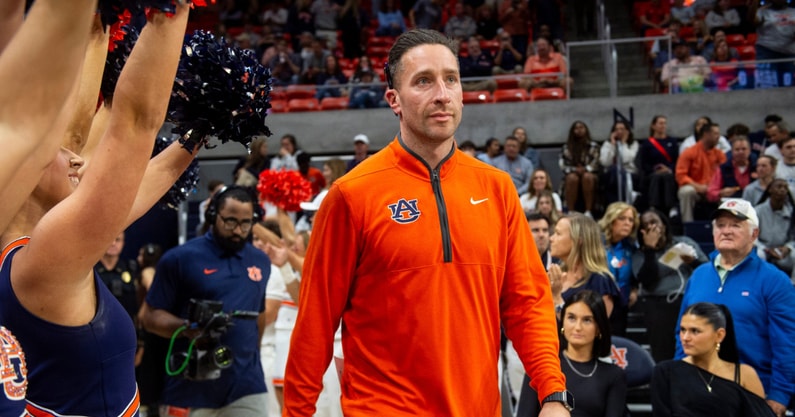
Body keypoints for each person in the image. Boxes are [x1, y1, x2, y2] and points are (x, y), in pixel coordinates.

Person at [283, 29, 570, 416]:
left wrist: (553, 393)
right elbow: (316, 321)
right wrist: (296, 412)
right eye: (423, 81)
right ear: (394, 100)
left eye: (451, 79)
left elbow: (527, 303)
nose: (442, 94)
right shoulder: (351, 195)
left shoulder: (497, 188)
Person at [0, 6, 190, 416]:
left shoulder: (25, 244)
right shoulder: (49, 257)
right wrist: (172, 9)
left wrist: (198, 133)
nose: (77, 158)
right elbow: (135, 125)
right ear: (23, 167)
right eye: (61, 149)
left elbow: (130, 189)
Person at [141, 186, 272, 416]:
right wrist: (186, 328)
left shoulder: (261, 261)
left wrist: (253, 357)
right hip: (189, 388)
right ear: (213, 216)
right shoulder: (179, 259)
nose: (238, 231)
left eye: (245, 223)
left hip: (247, 387)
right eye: (230, 221)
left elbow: (258, 317)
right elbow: (149, 317)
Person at [676, 198, 795, 416]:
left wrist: (780, 393)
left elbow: (787, 342)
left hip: (752, 390)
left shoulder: (775, 280)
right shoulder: (699, 275)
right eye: (721, 225)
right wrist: (679, 378)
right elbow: (681, 333)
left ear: (754, 234)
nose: (726, 231)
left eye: (736, 225)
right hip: (699, 389)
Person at [517, 290, 627, 417]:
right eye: (571, 318)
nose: (577, 327)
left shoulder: (614, 375)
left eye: (587, 320)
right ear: (562, 321)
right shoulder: (542, 367)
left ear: (598, 328)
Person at [653, 302, 768, 417]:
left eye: (695, 331)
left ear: (719, 335)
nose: (685, 338)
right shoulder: (666, 372)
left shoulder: (745, 374)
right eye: (683, 330)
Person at [633, 209, 707, 362]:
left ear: (664, 225)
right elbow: (647, 281)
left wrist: (692, 261)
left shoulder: (684, 242)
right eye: (646, 225)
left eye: (654, 222)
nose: (651, 227)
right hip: (657, 304)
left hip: (687, 301)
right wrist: (650, 249)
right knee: (663, 353)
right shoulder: (639, 254)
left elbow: (707, 270)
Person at [549, 213, 623, 332]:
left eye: (558, 233)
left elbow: (590, 331)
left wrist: (557, 298)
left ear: (578, 241)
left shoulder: (600, 281)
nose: (551, 238)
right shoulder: (556, 276)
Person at [598, 202, 639, 336]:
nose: (627, 223)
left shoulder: (631, 247)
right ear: (611, 219)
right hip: (598, 303)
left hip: (621, 305)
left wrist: (634, 289)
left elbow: (634, 273)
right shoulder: (596, 243)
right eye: (622, 218)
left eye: (631, 220)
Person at [675, 122, 726, 222]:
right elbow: (681, 175)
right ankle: (688, 225)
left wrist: (716, 189)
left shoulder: (720, 155)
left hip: (715, 190)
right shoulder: (689, 152)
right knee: (686, 192)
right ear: (706, 134)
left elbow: (726, 175)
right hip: (696, 189)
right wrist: (698, 187)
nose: (718, 137)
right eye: (715, 134)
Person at [754, 178, 795, 281]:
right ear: (770, 190)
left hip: (783, 250)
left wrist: (788, 248)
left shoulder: (792, 212)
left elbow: (793, 238)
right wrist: (766, 249)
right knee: (758, 254)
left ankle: (792, 285)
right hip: (763, 248)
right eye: (779, 186)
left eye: (785, 187)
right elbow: (751, 236)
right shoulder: (758, 210)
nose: (782, 190)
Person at [638, 115, 679, 217]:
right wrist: (655, 169)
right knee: (656, 177)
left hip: (669, 172)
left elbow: (677, 160)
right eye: (660, 123)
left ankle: (671, 207)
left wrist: (669, 169)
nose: (663, 126)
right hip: (653, 173)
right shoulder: (647, 143)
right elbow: (643, 163)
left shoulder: (672, 142)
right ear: (653, 126)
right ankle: (653, 206)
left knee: (668, 177)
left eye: (664, 123)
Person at [96, 232, 140, 322]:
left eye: (117, 240)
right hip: (97, 326)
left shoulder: (131, 268)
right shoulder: (90, 270)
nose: (113, 243)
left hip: (125, 324)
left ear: (123, 243)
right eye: (109, 239)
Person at [559, 121, 600, 217]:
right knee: (572, 178)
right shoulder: (566, 147)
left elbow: (596, 163)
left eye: (581, 127)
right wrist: (575, 170)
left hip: (591, 175)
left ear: (586, 130)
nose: (579, 130)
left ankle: (588, 212)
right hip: (572, 175)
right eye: (576, 128)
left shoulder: (593, 146)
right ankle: (570, 211)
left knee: (587, 177)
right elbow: (563, 165)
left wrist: (585, 169)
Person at [599, 121, 639, 205]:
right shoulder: (607, 144)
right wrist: (613, 145)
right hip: (611, 175)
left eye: (622, 129)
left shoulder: (633, 144)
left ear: (627, 131)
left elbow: (626, 159)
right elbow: (605, 162)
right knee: (615, 169)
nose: (619, 132)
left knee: (619, 173)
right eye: (616, 129)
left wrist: (623, 143)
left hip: (629, 174)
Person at [706, 135, 753, 203]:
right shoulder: (723, 168)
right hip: (730, 204)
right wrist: (721, 193)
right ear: (732, 151)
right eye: (737, 149)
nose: (740, 152)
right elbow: (710, 193)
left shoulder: (758, 166)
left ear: (749, 150)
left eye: (744, 149)